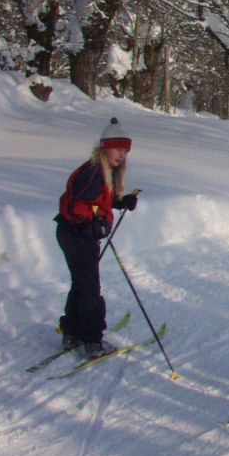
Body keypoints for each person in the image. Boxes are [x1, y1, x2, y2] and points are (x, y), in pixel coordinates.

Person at [56, 117, 139, 357]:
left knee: (82, 283)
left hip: (75, 234)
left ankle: (72, 333)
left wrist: (121, 202)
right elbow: (77, 206)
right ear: (104, 148)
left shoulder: (103, 171)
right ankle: (92, 341)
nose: (122, 155)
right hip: (76, 235)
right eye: (117, 149)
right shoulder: (93, 172)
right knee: (90, 289)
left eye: (125, 150)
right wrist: (91, 225)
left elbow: (97, 201)